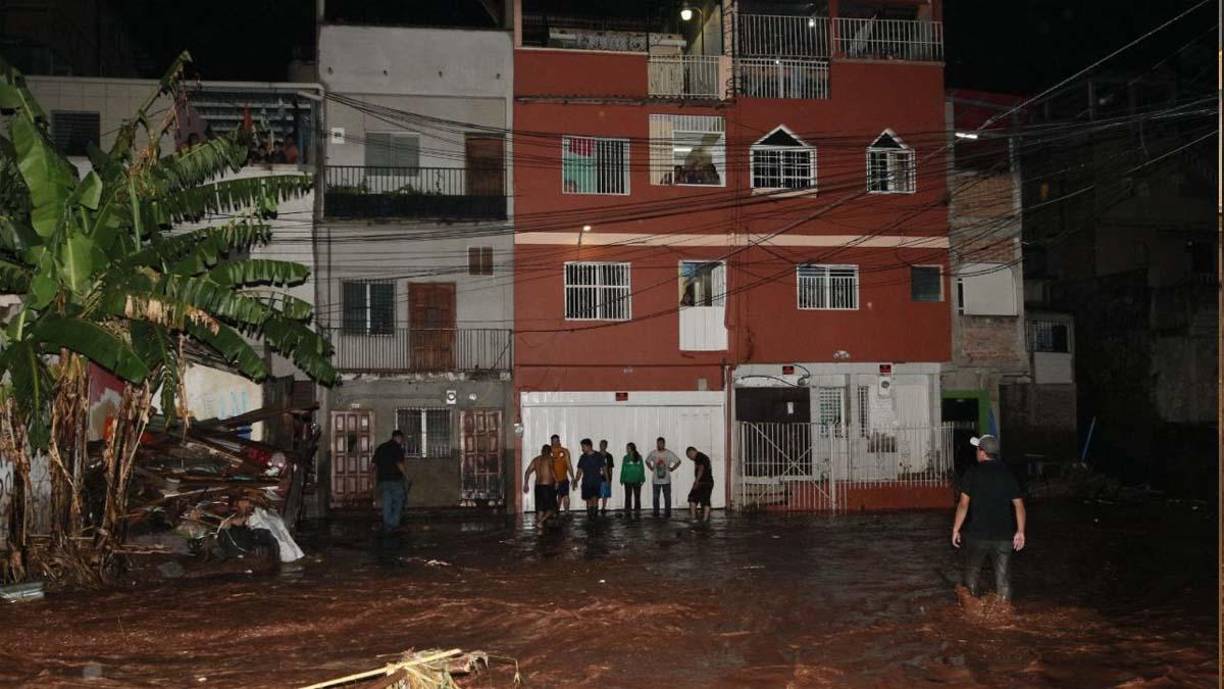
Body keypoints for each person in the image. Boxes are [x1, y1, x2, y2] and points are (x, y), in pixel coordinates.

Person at [952, 434, 1026, 602]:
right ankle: (1005, 613)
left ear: (982, 452)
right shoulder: (1007, 473)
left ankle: (972, 610)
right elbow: (1019, 505)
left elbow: (963, 504)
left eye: (978, 449)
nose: (976, 452)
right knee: (1003, 579)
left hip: (978, 535)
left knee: (972, 574)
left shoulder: (973, 473)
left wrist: (956, 529)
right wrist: (1020, 531)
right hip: (1004, 536)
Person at [370, 430, 408, 532]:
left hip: (383, 480)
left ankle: (387, 524)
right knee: (399, 501)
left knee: (387, 502)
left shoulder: (381, 447)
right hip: (395, 480)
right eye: (401, 439)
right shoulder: (397, 448)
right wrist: (406, 476)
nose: (401, 441)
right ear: (398, 438)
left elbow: (373, 465)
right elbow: (399, 464)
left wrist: (373, 478)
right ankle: (394, 523)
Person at [645, 437, 682, 518]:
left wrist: (672, 468)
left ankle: (668, 513)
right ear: (657, 443)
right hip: (656, 480)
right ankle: (656, 513)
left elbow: (678, 461)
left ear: (664, 443)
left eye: (661, 443)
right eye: (658, 443)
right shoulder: (653, 453)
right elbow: (647, 461)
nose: (660, 444)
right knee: (655, 498)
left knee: (667, 498)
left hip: (666, 480)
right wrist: (650, 467)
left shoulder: (669, 453)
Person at [523, 444, 557, 526]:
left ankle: (540, 525)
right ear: (550, 452)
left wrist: (526, 484)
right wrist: (557, 481)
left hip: (538, 486)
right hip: (547, 486)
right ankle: (541, 521)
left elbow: (527, 472)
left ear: (542, 451)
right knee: (552, 508)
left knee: (540, 508)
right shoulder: (550, 459)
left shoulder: (536, 460)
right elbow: (552, 471)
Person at [573, 438, 606, 520]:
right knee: (588, 500)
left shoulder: (598, 456)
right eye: (582, 447)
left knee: (595, 499)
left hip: (596, 482)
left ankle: (594, 517)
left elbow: (604, 469)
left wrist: (607, 481)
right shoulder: (583, 457)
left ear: (589, 446)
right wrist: (576, 480)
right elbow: (579, 470)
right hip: (586, 482)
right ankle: (590, 517)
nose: (582, 449)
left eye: (583, 447)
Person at [686, 446, 715, 522]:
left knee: (695, 499)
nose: (690, 458)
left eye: (689, 456)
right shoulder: (702, 457)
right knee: (700, 499)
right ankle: (701, 519)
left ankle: (696, 518)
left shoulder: (699, 456)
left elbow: (701, 468)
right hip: (707, 482)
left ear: (691, 452)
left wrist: (697, 481)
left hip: (703, 482)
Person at [550, 435, 574, 513]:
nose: (556, 443)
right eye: (554, 441)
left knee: (566, 496)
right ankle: (555, 512)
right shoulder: (549, 451)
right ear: (551, 442)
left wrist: (572, 477)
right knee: (555, 498)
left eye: (557, 441)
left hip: (563, 479)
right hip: (552, 480)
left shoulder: (564, 451)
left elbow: (569, 465)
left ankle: (567, 512)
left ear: (559, 441)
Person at [620, 442, 645, 516]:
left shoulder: (639, 457)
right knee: (628, 496)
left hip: (637, 480)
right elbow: (623, 469)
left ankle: (637, 510)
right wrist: (622, 478)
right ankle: (628, 510)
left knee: (637, 496)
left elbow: (642, 468)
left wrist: (642, 478)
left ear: (632, 448)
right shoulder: (625, 458)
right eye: (626, 448)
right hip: (628, 480)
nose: (626, 449)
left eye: (628, 448)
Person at [597, 439, 615, 515]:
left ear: (606, 446)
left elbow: (610, 468)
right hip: (597, 478)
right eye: (601, 444)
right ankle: (595, 507)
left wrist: (610, 479)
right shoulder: (596, 455)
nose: (602, 446)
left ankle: (603, 508)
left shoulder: (609, 456)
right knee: (597, 494)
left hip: (606, 477)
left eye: (604, 445)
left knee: (605, 494)